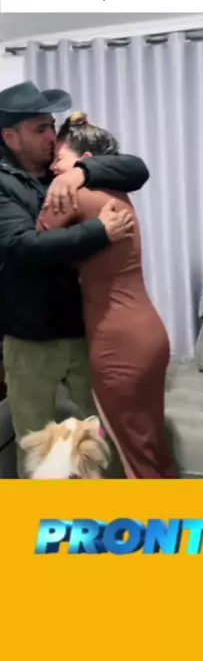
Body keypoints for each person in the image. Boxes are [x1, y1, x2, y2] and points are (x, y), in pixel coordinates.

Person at [0, 80, 150, 477]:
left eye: (51, 125)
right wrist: (99, 231)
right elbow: (21, 247)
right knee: (36, 444)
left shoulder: (61, 167)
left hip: (84, 329)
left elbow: (136, 168)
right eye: (40, 129)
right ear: (9, 136)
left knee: (101, 434)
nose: (52, 136)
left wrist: (81, 170)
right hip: (30, 338)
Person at [36, 112, 176, 479]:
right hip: (146, 331)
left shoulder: (69, 192)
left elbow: (33, 247)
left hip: (118, 339)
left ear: (84, 161)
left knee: (136, 458)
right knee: (150, 448)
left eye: (59, 158)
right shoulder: (114, 190)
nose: (53, 167)